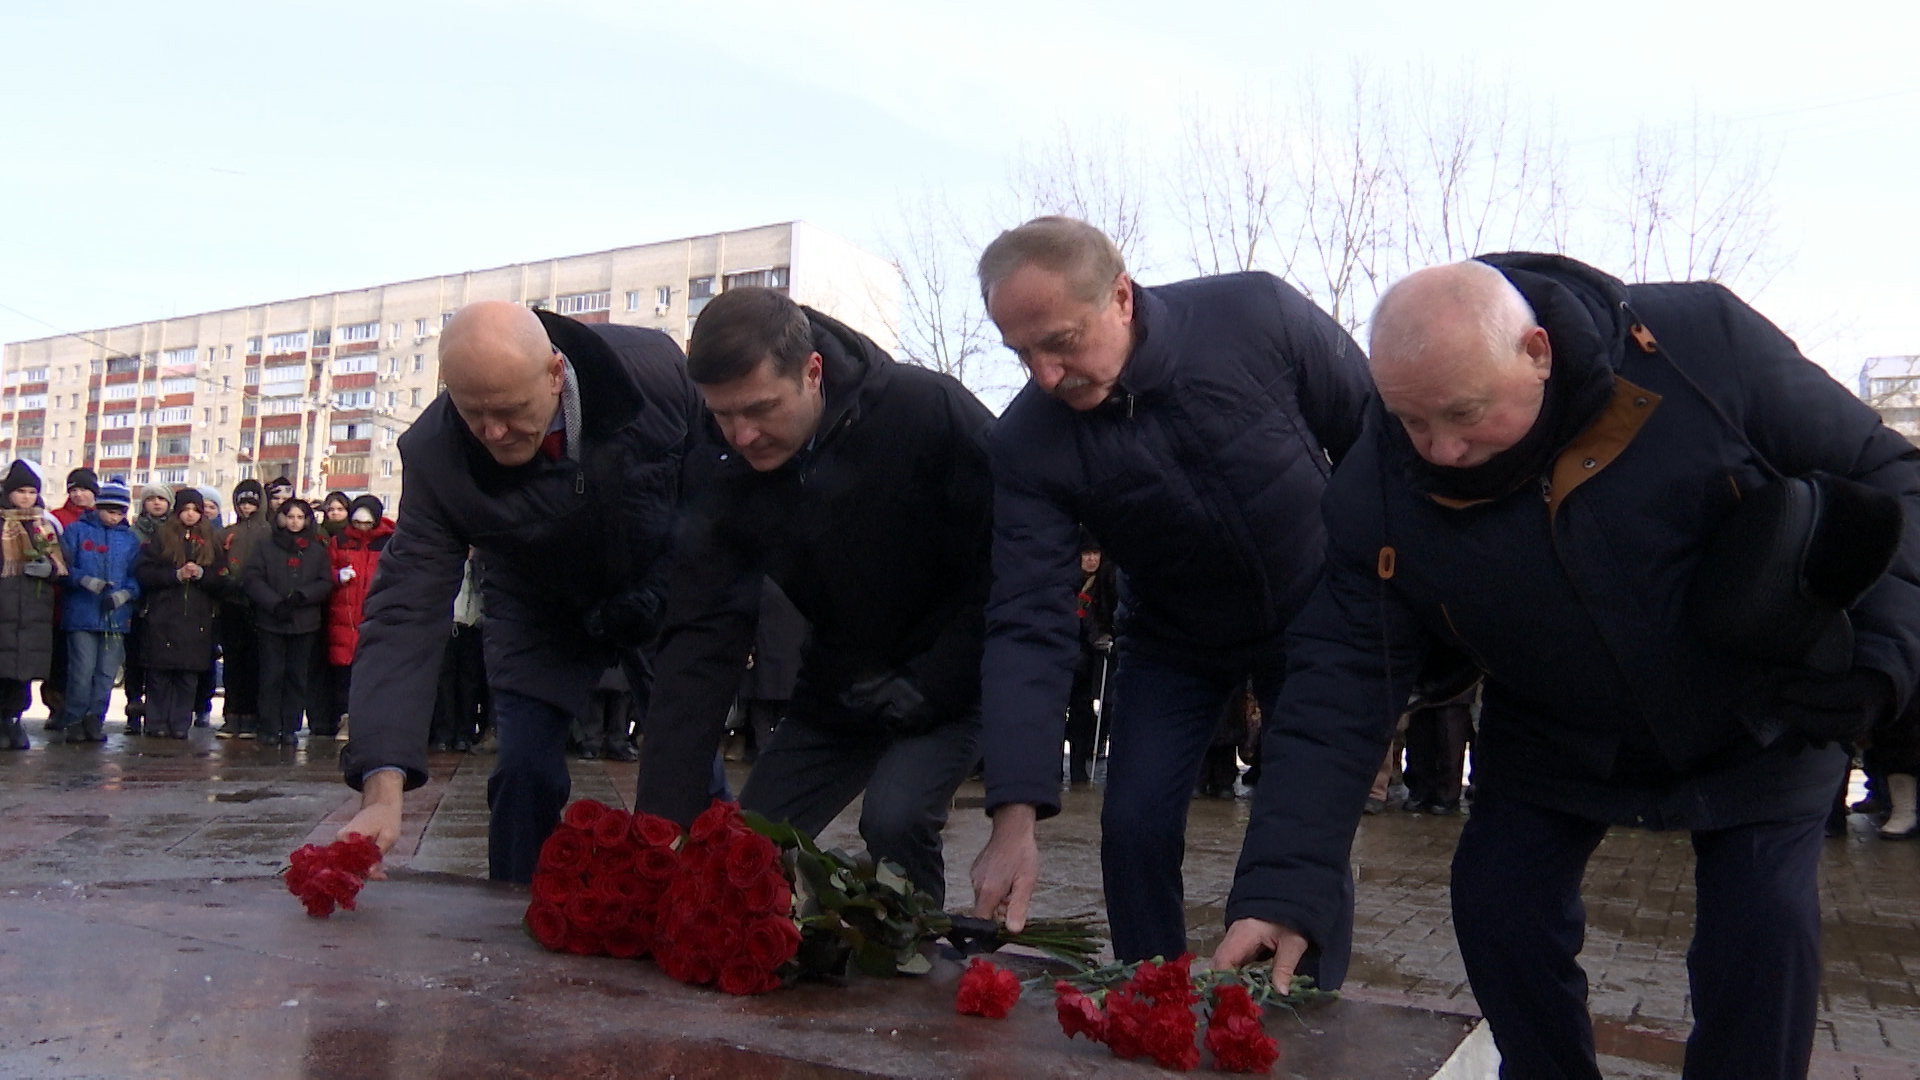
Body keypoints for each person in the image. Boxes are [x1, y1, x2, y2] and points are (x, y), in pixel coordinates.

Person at [1213, 255, 1920, 1080]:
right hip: (1556, 724)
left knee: (1760, 937)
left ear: (1537, 352)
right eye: (1410, 420)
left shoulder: (1697, 347)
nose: (1441, 448)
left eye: (1464, 412)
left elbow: (1889, 474)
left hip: (1760, 705)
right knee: (1499, 904)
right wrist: (1281, 889)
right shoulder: (1378, 487)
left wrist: (1879, 661)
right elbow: (1339, 682)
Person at [967, 217, 1371, 964]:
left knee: (1303, 820)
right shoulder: (1027, 443)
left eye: (1060, 341)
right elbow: (1028, 617)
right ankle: (1151, 994)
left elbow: (1373, 442)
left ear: (1120, 297)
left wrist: (1382, 603)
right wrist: (1013, 815)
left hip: (1315, 607)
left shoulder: (1256, 317)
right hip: (1173, 637)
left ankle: (1301, 1006)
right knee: (1133, 826)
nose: (1045, 375)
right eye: (1021, 353)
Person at [633, 287, 995, 904]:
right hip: (844, 683)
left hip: (959, 674)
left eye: (761, 409)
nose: (743, 436)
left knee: (894, 816)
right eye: (723, 414)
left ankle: (920, 962)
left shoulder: (922, 410)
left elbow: (1016, 565)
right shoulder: (721, 463)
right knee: (745, 848)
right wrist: (656, 830)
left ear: (812, 372)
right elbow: (701, 632)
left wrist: (937, 682)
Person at [337, 300, 698, 882]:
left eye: (509, 410)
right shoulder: (437, 456)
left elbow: (715, 491)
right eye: (473, 413)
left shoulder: (651, 371)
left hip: (662, 589)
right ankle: (510, 918)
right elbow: (405, 608)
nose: (494, 432)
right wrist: (381, 785)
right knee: (525, 771)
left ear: (555, 374)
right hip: (537, 607)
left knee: (689, 768)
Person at [55, 479, 141, 743]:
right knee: (81, 671)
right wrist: (85, 581)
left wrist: (124, 594)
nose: (115, 517)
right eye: (110, 511)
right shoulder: (76, 531)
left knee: (106, 674)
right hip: (82, 613)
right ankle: (74, 719)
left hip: (116, 616)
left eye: (120, 512)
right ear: (99, 508)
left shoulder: (129, 539)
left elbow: (137, 576)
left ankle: (95, 719)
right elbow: (63, 568)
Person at [243, 498, 332, 746]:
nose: (294, 522)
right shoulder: (265, 547)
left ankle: (290, 726)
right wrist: (274, 603)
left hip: (304, 622)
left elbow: (325, 582)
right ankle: (269, 725)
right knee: (271, 675)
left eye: (299, 517)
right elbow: (252, 579)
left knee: (297, 676)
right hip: (271, 620)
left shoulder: (316, 549)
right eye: (290, 516)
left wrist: (303, 595)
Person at [134, 489, 221, 740]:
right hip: (163, 615)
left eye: (195, 510)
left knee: (187, 676)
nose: (190, 515)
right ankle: (156, 721)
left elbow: (223, 580)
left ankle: (181, 723)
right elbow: (145, 573)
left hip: (197, 618)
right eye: (185, 510)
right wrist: (175, 575)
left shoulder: (211, 540)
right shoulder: (160, 537)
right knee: (159, 675)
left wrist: (203, 576)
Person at [0, 461, 66, 749]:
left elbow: (63, 566)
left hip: (34, 612)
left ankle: (14, 720)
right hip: (4, 607)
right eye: (20, 491)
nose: (26, 497)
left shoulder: (44, 526)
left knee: (23, 672)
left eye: (31, 491)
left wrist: (48, 569)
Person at [320, 495, 391, 739]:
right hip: (344, 616)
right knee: (345, 672)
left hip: (376, 614)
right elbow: (322, 571)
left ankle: (373, 721)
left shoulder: (388, 541)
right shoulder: (340, 541)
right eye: (358, 523)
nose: (362, 528)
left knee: (374, 672)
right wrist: (336, 575)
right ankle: (346, 719)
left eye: (367, 524)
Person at [40, 466, 95, 724]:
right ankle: (56, 706)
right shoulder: (56, 518)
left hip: (90, 603)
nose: (78, 495)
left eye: (84, 489)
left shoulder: (103, 517)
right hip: (59, 600)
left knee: (83, 663)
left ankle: (83, 710)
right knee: (58, 661)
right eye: (74, 489)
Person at [214, 479, 267, 738]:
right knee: (233, 663)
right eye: (242, 503)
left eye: (251, 503)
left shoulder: (268, 531)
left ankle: (252, 715)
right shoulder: (226, 532)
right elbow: (216, 562)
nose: (246, 508)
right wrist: (227, 580)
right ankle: (232, 714)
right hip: (232, 603)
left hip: (260, 604)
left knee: (255, 662)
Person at [735, 577, 807, 763]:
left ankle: (766, 760)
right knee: (783, 717)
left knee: (762, 718)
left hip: (763, 659)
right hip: (792, 661)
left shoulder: (759, 580)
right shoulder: (801, 579)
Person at [1064, 537, 1115, 783]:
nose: (1092, 559)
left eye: (1096, 553)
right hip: (1066, 656)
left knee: (1082, 715)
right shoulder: (1067, 581)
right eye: (1087, 554)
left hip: (1090, 661)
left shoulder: (1104, 582)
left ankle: (1078, 769)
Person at [429, 552, 488, 753]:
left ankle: (464, 733)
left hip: (474, 622)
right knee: (444, 681)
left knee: (469, 682)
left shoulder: (481, 559)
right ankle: (444, 733)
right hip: (449, 621)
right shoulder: (449, 554)